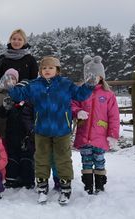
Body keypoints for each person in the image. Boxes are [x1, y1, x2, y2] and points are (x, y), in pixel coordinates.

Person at [9, 56, 96, 205]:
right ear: (40, 70)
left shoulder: (65, 84)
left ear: (57, 70)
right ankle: (42, 187)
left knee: (63, 159)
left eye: (50, 67)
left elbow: (80, 94)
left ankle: (65, 187)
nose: (47, 70)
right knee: (41, 159)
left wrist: (89, 85)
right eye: (44, 68)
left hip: (62, 130)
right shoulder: (34, 85)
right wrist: (10, 87)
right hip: (41, 130)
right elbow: (19, 95)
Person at [72, 55, 120, 194]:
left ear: (101, 76)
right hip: (84, 134)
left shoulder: (108, 94)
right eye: (89, 76)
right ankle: (88, 186)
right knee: (86, 160)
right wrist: (78, 111)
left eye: (96, 76)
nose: (93, 79)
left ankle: (99, 185)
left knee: (99, 160)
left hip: (100, 136)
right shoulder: (80, 92)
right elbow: (72, 105)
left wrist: (113, 135)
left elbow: (114, 117)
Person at [0, 68, 35, 189]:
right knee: (12, 157)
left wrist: (32, 131)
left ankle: (27, 180)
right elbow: (1, 114)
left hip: (26, 136)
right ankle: (12, 178)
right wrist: (5, 107)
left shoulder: (30, 103)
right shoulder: (11, 102)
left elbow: (33, 117)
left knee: (26, 158)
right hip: (11, 134)